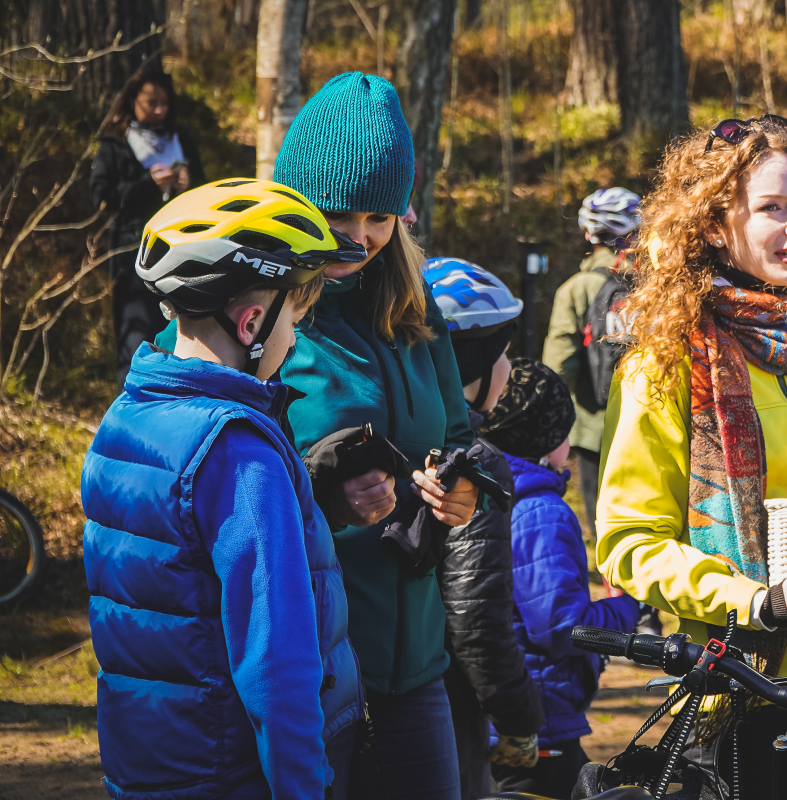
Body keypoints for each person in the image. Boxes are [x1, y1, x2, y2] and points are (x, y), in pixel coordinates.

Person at [596, 115, 787, 800]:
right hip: (746, 701)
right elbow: (627, 542)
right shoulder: (665, 369)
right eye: (771, 208)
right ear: (712, 224)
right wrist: (758, 601)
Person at [82, 180, 365, 799]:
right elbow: (278, 666)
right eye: (295, 316)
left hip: (150, 766)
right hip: (235, 776)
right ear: (252, 320)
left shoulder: (123, 421)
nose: (296, 337)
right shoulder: (238, 454)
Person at [264, 72, 482, 800]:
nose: (358, 237)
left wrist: (461, 490)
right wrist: (324, 488)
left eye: (379, 217)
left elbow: (457, 433)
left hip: (415, 663)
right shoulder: (251, 312)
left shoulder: (417, 313)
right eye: (339, 214)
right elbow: (212, 473)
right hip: (305, 666)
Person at [481, 359, 641, 799]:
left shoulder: (485, 489)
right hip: (540, 720)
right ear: (544, 439)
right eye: (563, 433)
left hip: (500, 719)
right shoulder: (539, 511)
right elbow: (562, 627)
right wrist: (628, 605)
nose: (569, 446)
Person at [426, 257, 545, 800]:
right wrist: (521, 718)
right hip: (443, 706)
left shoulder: (380, 437)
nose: (511, 369)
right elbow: (477, 621)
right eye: (503, 356)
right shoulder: (471, 461)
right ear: (468, 365)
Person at [91, 67, 206, 384]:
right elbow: (102, 198)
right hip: (133, 254)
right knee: (135, 340)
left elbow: (209, 191)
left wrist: (189, 184)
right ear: (132, 101)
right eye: (150, 102)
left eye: (164, 103)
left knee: (177, 338)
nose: (158, 110)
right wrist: (147, 184)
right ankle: (129, 411)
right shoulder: (115, 144)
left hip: (182, 251)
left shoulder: (181, 140)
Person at [542, 188, 641, 526]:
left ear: (589, 234)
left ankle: (609, 577)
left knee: (605, 520)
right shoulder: (662, 285)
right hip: (656, 420)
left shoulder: (576, 287)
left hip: (594, 427)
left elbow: (559, 366)